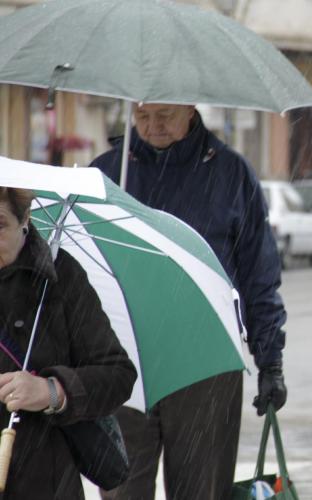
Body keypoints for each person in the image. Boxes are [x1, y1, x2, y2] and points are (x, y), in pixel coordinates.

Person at [91, 103, 288, 500]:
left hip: (206, 360)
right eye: (142, 116)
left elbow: (259, 275)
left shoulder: (231, 174)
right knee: (121, 490)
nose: (153, 126)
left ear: (189, 109)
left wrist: (270, 361)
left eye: (165, 114)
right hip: (124, 359)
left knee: (202, 491)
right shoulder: (106, 174)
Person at [0, 186, 137, 498]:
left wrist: (52, 391)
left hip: (46, 482)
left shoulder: (60, 277)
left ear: (25, 218)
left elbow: (117, 374)